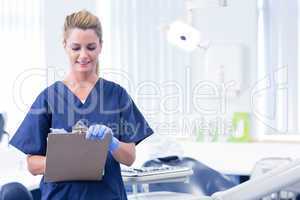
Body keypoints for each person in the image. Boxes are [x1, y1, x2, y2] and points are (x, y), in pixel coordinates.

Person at [9, 10, 153, 200]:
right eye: (76, 48)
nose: (83, 55)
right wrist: (68, 162)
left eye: (90, 47)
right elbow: (32, 165)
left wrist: (112, 142)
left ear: (100, 46)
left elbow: (129, 157)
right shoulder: (49, 98)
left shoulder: (116, 95)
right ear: (65, 46)